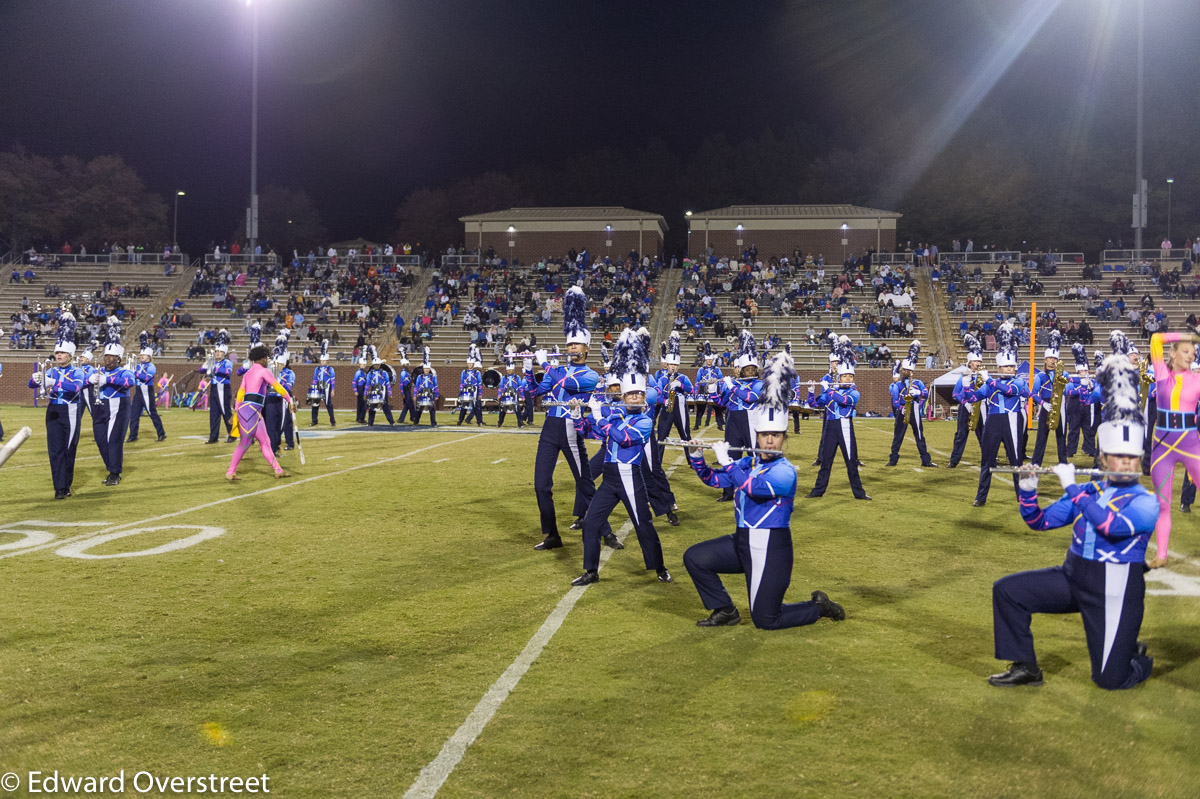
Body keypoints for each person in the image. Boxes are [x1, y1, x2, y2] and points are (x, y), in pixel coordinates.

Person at [990, 353, 1159, 689]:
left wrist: (1072, 488)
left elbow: (1111, 527)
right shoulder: (1089, 488)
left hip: (1116, 589)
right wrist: (1028, 489)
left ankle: (1132, 655)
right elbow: (1039, 522)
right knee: (1008, 591)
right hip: (1074, 575)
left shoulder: (1146, 502)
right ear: (1103, 457)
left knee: (1112, 680)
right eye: (1117, 457)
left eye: (1131, 458)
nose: (1124, 464)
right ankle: (1025, 666)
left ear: (1139, 461)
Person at [682, 350, 847, 629]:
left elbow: (754, 489)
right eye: (764, 435)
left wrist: (728, 463)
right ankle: (724, 609)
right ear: (756, 436)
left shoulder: (785, 472)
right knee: (695, 557)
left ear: (783, 439)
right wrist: (698, 458)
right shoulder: (748, 462)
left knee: (766, 620)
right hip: (742, 541)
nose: (769, 441)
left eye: (776, 436)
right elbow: (715, 481)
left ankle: (818, 607)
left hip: (771, 548)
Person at [569, 327, 671, 586]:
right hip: (611, 478)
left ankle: (659, 566)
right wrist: (577, 415)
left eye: (638, 393)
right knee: (592, 523)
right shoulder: (615, 412)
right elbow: (588, 432)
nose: (635, 397)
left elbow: (623, 438)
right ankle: (591, 571)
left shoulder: (645, 420)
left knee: (642, 524)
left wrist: (601, 416)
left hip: (630, 476)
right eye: (630, 394)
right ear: (624, 396)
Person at [531, 286, 600, 550]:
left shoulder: (590, 375)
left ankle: (603, 530)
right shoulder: (557, 369)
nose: (571, 347)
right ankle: (551, 535)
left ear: (586, 347)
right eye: (569, 343)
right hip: (550, 427)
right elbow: (535, 391)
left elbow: (567, 382)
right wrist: (529, 370)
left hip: (572, 426)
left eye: (576, 344)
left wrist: (546, 364)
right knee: (540, 485)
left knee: (585, 485)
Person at [1145, 330, 1200, 568]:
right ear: (1173, 353)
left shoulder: (1198, 379)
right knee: (1163, 503)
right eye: (1186, 351)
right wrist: (1188, 335)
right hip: (1162, 446)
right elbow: (1156, 339)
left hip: (1190, 444)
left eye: (1194, 352)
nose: (1191, 355)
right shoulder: (1161, 375)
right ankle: (1162, 555)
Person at [969, 321, 1030, 506]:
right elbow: (973, 397)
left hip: (1012, 420)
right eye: (1006, 367)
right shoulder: (990, 383)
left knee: (1016, 460)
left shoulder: (1018, 382)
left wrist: (989, 381)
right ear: (999, 368)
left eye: (1012, 366)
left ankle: (1022, 496)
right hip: (993, 422)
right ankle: (981, 497)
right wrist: (967, 386)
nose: (1010, 369)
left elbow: (1009, 391)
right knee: (987, 460)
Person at [28, 311, 85, 499]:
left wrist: (54, 383)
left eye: (62, 352)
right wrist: (36, 379)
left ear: (70, 354)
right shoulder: (51, 371)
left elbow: (76, 388)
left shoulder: (77, 371)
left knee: (68, 449)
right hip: (53, 410)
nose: (58, 355)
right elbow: (31, 386)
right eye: (57, 352)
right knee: (55, 450)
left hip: (70, 410)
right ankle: (59, 487)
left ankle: (66, 485)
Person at [807, 336, 870, 500]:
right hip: (830, 427)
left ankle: (859, 493)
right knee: (826, 461)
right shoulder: (831, 390)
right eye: (845, 376)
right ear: (839, 378)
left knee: (851, 461)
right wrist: (812, 391)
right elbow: (814, 404)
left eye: (850, 376)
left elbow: (843, 401)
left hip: (845, 427)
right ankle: (818, 490)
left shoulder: (854, 392)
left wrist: (829, 390)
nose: (848, 379)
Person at [226, 342, 292, 480]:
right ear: (262, 358)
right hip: (252, 411)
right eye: (266, 358)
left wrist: (236, 412)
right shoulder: (264, 371)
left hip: (250, 412)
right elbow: (278, 386)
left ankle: (278, 470)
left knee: (265, 442)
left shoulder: (247, 373)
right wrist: (289, 400)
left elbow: (240, 394)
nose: (267, 361)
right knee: (245, 443)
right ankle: (230, 472)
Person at [716, 329, 763, 502]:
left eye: (753, 369)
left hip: (751, 419)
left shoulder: (759, 384)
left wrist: (733, 386)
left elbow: (750, 398)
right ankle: (728, 492)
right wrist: (717, 390)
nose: (750, 371)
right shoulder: (734, 382)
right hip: (733, 420)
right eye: (747, 369)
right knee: (731, 455)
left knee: (754, 456)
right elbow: (722, 403)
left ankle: (756, 489)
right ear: (742, 370)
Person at [90, 316, 135, 486]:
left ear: (118, 359)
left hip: (119, 408)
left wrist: (107, 380)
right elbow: (85, 381)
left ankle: (115, 473)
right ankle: (111, 468)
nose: (107, 359)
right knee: (101, 440)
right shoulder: (98, 370)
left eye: (112, 356)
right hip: (100, 408)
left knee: (113, 440)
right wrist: (91, 378)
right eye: (106, 355)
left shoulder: (124, 371)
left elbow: (129, 382)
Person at [887, 340, 937, 468]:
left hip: (914, 409)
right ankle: (893, 459)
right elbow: (895, 400)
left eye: (910, 371)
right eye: (905, 370)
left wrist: (919, 392)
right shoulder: (898, 385)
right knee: (898, 436)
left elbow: (926, 395)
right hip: (902, 410)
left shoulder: (918, 382)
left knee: (919, 435)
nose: (908, 373)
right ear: (902, 370)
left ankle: (925, 460)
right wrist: (900, 408)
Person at [1028, 329, 1067, 467]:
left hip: (1060, 406)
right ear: (1045, 360)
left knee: (1061, 436)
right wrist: (1042, 404)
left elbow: (1071, 385)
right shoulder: (1040, 376)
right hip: (1046, 406)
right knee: (1041, 437)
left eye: (1055, 358)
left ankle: (1063, 462)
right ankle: (1036, 462)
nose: (1053, 361)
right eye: (1050, 358)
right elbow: (1032, 393)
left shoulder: (1064, 373)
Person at [948, 334, 985, 468]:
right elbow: (956, 393)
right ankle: (954, 460)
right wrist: (966, 403)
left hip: (980, 408)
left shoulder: (983, 376)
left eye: (979, 361)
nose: (978, 364)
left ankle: (988, 458)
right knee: (961, 434)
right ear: (969, 362)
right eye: (976, 361)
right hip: (966, 407)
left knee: (983, 434)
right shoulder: (964, 376)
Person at [654, 331, 692, 459]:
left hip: (680, 408)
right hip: (666, 409)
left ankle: (691, 460)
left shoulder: (683, 377)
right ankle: (658, 461)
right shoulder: (662, 379)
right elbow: (657, 396)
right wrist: (664, 402)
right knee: (662, 435)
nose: (673, 367)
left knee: (685, 435)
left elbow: (692, 390)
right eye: (671, 364)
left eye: (676, 364)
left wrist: (680, 385)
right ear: (667, 365)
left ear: (678, 365)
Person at [127, 331, 167, 443]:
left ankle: (161, 433)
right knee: (134, 414)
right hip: (139, 392)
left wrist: (134, 372)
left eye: (143, 355)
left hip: (147, 392)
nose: (141, 356)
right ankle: (133, 435)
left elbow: (145, 378)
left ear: (149, 357)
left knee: (152, 413)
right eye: (140, 355)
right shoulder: (138, 366)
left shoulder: (151, 367)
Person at [1064, 343, 1099, 460]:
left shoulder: (1091, 381)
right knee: (1074, 429)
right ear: (1077, 371)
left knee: (1088, 429)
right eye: (1081, 370)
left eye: (1086, 370)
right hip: (1074, 406)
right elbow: (1069, 392)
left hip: (1087, 407)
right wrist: (1081, 387)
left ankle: (1090, 449)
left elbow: (1096, 391)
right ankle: (1070, 450)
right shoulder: (1071, 381)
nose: (1084, 372)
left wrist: (1090, 387)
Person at [201, 330, 234, 443]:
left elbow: (226, 372)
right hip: (215, 388)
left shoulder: (227, 362)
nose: (217, 353)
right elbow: (201, 370)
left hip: (224, 388)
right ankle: (213, 436)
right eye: (216, 351)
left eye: (220, 351)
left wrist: (212, 367)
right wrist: (206, 364)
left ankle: (233, 433)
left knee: (226, 412)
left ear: (224, 353)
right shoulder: (213, 363)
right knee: (214, 413)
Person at [693, 343, 724, 430]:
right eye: (708, 360)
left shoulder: (717, 369)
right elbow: (697, 381)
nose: (709, 361)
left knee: (717, 407)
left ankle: (720, 425)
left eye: (710, 359)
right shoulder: (701, 369)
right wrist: (696, 392)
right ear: (705, 360)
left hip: (714, 389)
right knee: (700, 407)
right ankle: (697, 424)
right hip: (703, 389)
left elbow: (721, 379)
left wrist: (720, 390)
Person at [366, 348, 396, 427]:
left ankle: (391, 422)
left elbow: (387, 383)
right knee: (372, 406)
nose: (376, 366)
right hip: (373, 390)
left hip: (383, 391)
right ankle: (370, 422)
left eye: (378, 364)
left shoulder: (384, 373)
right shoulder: (370, 373)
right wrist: (365, 392)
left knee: (385, 406)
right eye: (375, 365)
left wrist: (389, 393)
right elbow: (368, 383)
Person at [310, 339, 337, 427]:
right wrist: (314, 388)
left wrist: (332, 390)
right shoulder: (317, 369)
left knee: (328, 404)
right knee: (315, 404)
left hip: (327, 386)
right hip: (318, 386)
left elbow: (332, 380)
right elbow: (314, 379)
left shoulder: (330, 369)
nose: (322, 362)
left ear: (327, 361)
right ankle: (314, 420)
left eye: (324, 361)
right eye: (321, 361)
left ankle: (332, 421)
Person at [411, 347, 439, 426]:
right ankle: (416, 421)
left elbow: (436, 386)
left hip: (430, 394)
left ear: (429, 369)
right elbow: (416, 386)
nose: (426, 370)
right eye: (425, 369)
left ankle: (433, 422)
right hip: (422, 393)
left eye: (427, 369)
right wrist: (414, 395)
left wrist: (436, 395)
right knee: (419, 408)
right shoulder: (420, 377)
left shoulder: (433, 377)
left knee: (432, 409)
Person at [457, 347, 485, 426]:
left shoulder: (477, 372)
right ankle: (460, 421)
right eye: (468, 363)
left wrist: (480, 393)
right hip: (466, 391)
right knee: (464, 407)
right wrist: (460, 391)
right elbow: (461, 382)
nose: (469, 365)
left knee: (477, 407)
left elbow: (479, 383)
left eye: (471, 363)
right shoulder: (464, 372)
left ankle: (479, 421)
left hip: (474, 390)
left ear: (473, 364)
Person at [496, 361, 524, 428]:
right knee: (503, 410)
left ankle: (520, 423)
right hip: (506, 396)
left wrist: (522, 396)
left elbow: (520, 387)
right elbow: (500, 387)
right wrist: (499, 395)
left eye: (510, 370)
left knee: (517, 410)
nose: (509, 371)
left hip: (515, 395)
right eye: (508, 370)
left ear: (513, 370)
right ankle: (500, 423)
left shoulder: (517, 377)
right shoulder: (504, 378)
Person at [353, 354, 369, 424]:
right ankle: (361, 418)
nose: (363, 365)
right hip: (360, 388)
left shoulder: (364, 372)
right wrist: (355, 390)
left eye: (364, 364)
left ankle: (358, 418)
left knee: (360, 404)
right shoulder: (358, 372)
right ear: (359, 364)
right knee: (364, 404)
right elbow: (354, 381)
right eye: (362, 364)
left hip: (363, 388)